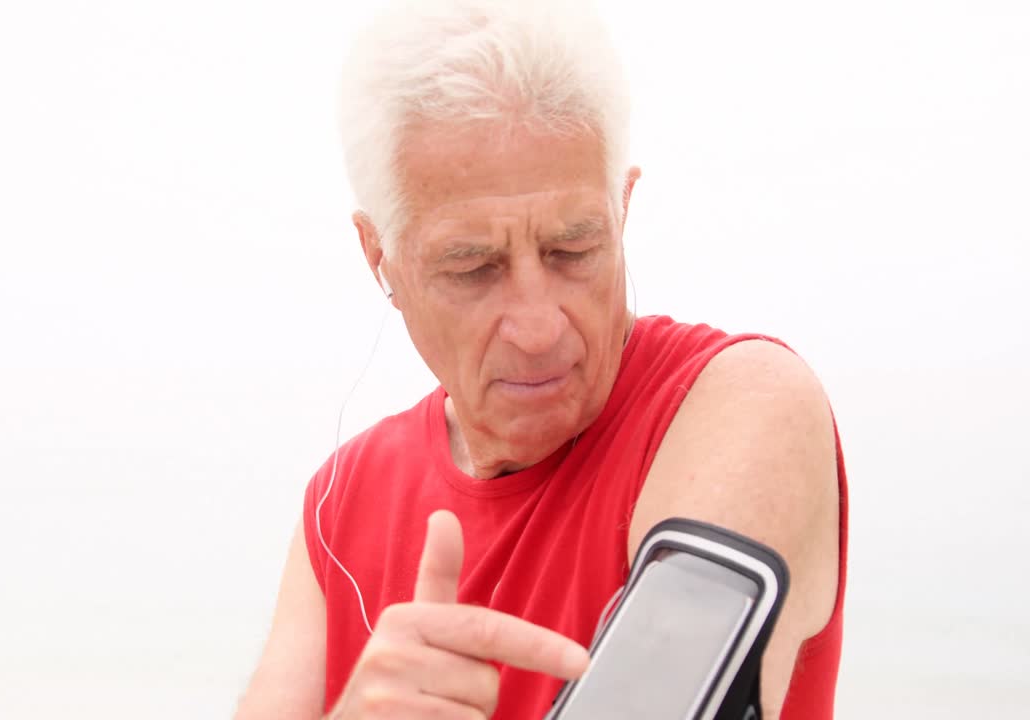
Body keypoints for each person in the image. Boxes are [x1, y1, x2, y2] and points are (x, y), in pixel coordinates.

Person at [236, 1, 847, 718]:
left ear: (622, 211)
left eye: (573, 249)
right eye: (473, 267)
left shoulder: (741, 405)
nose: (536, 327)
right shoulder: (339, 503)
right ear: (382, 260)